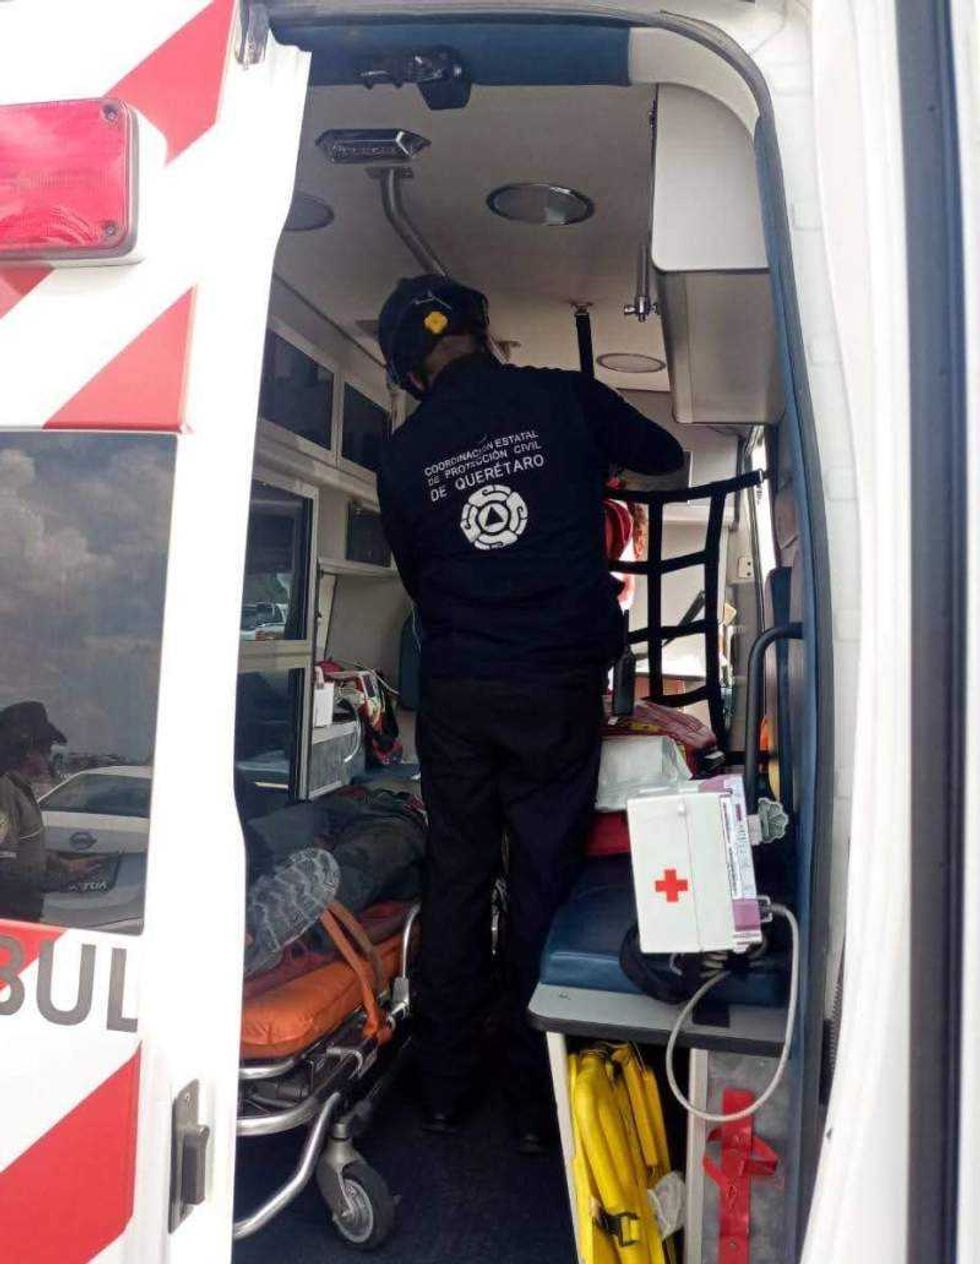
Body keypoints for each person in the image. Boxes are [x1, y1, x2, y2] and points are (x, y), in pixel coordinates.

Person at [376, 274, 684, 1150]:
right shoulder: (563, 397)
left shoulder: (401, 457)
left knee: (460, 876)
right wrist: (586, 462)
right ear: (485, 333)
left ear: (407, 371)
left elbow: (418, 579)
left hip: (461, 690)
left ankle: (441, 1089)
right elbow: (660, 451)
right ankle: (533, 1101)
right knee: (544, 880)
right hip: (555, 686)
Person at [0, 701, 71, 921]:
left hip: (21, 915)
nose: (50, 756)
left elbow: (22, 846)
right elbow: (4, 869)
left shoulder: (19, 789)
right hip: (9, 917)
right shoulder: (5, 790)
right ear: (29, 751)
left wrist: (63, 865)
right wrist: (53, 881)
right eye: (46, 748)